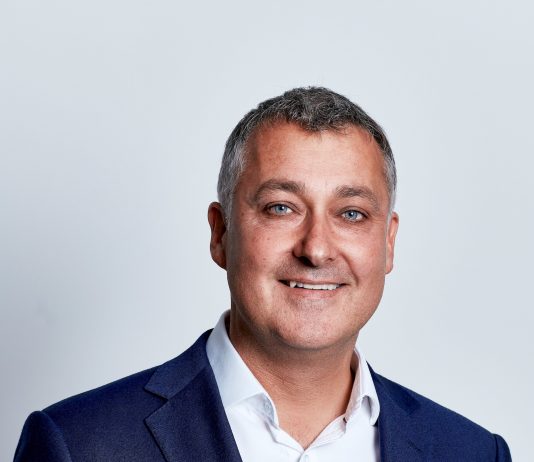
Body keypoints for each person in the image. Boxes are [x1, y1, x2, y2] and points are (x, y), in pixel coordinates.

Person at [14, 87, 511, 461]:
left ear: (388, 244)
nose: (316, 249)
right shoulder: (80, 445)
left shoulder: (472, 452)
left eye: (351, 213)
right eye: (281, 208)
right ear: (221, 233)